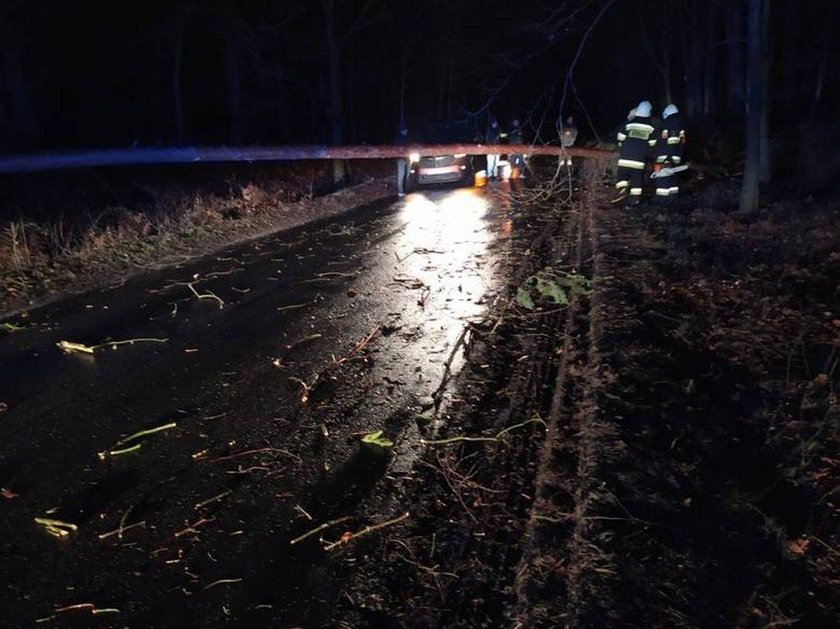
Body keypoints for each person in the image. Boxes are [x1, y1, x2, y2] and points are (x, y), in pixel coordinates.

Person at [614, 100, 657, 205]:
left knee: (622, 176)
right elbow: (652, 143)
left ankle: (622, 192)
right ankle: (635, 200)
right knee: (637, 179)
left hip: (625, 157)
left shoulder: (629, 123)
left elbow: (620, 137)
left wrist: (622, 146)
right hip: (639, 160)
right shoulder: (651, 127)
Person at [654, 103, 686, 200]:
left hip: (665, 158)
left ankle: (661, 201)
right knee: (672, 180)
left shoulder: (668, 124)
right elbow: (681, 144)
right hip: (675, 158)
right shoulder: (680, 125)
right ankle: (672, 200)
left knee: (662, 180)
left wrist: (667, 157)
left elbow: (668, 142)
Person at [394, 123, 411, 196]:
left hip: (408, 159)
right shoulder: (397, 139)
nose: (406, 131)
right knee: (401, 175)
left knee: (407, 175)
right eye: (405, 130)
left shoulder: (408, 138)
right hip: (401, 159)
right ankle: (401, 192)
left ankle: (404, 189)